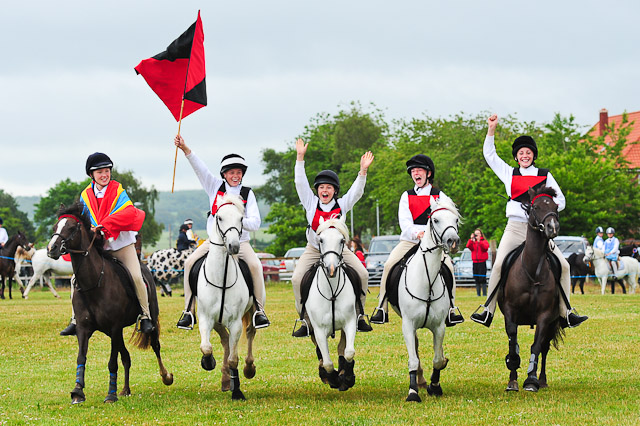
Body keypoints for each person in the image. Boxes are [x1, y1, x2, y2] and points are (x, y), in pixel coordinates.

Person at [470, 114, 588, 329]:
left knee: (563, 265)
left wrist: (546, 212)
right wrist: (491, 129)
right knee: (498, 266)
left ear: (534, 155)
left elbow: (560, 200)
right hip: (515, 228)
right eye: (521, 153)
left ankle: (566, 312)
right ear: (516, 157)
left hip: (539, 231)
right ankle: (487, 310)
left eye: (528, 152)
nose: (525, 155)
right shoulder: (509, 173)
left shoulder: (545, 175)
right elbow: (489, 154)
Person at [173, 135, 269, 330]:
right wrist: (185, 149)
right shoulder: (214, 186)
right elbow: (200, 168)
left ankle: (259, 310)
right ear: (224, 174)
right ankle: (189, 311)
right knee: (190, 262)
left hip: (241, 243)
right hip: (214, 242)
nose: (236, 176)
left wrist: (236, 224)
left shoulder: (247, 193)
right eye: (232, 172)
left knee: (255, 266)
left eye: (239, 172)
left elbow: (256, 222)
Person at [60, 152, 153, 336]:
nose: (105, 175)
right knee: (74, 279)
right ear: (91, 175)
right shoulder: (85, 195)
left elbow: (128, 212)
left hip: (121, 244)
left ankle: (145, 315)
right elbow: (83, 221)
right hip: (99, 246)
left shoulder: (118, 190)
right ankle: (75, 319)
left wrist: (105, 225)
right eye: (100, 172)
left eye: (107, 171)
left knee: (136, 276)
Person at [291, 138, 374, 337]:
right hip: (314, 249)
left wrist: (362, 172)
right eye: (321, 187)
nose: (324, 190)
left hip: (340, 250)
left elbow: (357, 192)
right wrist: (300, 158)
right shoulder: (310, 203)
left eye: (328, 188)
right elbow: (300, 182)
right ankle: (305, 318)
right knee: (295, 279)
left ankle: (360, 314)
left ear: (334, 190)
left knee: (362, 274)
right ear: (317, 191)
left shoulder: (342, 204)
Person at [370, 154, 464, 326]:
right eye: (413, 171)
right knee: (389, 265)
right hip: (410, 241)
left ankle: (451, 308)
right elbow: (404, 222)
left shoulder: (440, 196)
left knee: (449, 267)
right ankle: (382, 307)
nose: (416, 173)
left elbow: (447, 218)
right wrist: (417, 233)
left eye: (419, 170)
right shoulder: (406, 196)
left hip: (434, 243)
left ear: (428, 173)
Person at [467, 228, 489, 297]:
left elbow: (485, 248)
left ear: (481, 234)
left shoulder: (484, 241)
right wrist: (471, 240)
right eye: (475, 234)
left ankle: (484, 294)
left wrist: (480, 241)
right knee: (476, 278)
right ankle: (478, 294)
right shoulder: (473, 242)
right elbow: (468, 246)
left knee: (482, 278)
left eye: (478, 234)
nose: (476, 235)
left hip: (482, 262)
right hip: (475, 262)